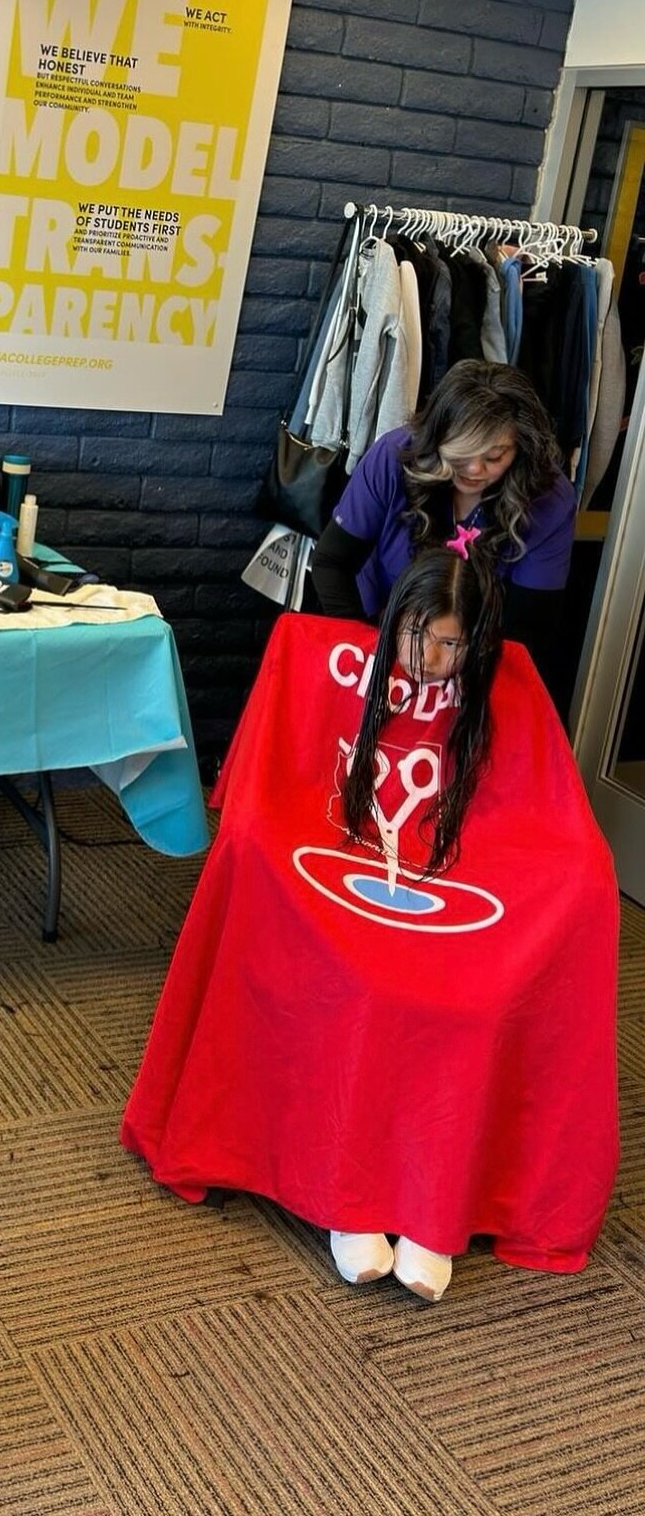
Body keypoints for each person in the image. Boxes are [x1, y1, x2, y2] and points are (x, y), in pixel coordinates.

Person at [121, 545, 618, 1302]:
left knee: (471, 1000)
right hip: (343, 859)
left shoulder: (503, 687)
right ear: (397, 624)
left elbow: (538, 816)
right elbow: (277, 788)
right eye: (421, 636)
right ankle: (349, 1203)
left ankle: (433, 1213)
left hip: (456, 875)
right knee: (361, 986)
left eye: (454, 643)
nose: (434, 658)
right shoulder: (342, 665)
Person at [310, 361, 575, 678]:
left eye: (494, 457)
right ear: (436, 438)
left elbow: (529, 630)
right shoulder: (393, 458)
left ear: (520, 449)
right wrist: (364, 652)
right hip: (373, 624)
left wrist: (472, 682)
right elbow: (330, 563)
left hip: (475, 656)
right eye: (461, 454)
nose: (474, 470)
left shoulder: (549, 499)